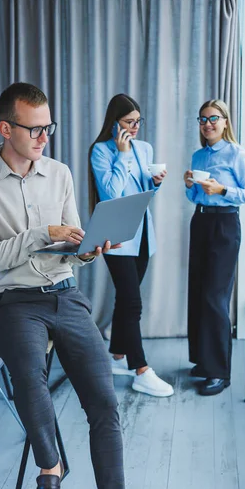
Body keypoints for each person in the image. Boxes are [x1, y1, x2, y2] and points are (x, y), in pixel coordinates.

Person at [0, 82, 156, 489]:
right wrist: (37, 235)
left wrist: (87, 248)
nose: (45, 136)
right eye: (35, 128)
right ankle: (50, 466)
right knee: (30, 380)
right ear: (7, 129)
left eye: (49, 126)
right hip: (15, 303)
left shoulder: (61, 173)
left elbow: (70, 243)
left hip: (65, 295)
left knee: (105, 402)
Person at [89, 93, 174, 398]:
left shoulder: (145, 147)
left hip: (143, 233)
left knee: (126, 298)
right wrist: (122, 154)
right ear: (114, 122)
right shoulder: (101, 151)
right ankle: (140, 369)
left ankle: (117, 355)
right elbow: (110, 193)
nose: (135, 127)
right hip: (116, 235)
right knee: (133, 301)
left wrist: (156, 181)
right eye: (128, 121)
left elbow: (143, 190)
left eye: (138, 121)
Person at [183, 99, 245, 396]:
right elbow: (195, 197)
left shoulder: (237, 154)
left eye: (213, 118)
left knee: (215, 297)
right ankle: (202, 361)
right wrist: (190, 187)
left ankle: (220, 372)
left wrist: (222, 189)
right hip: (200, 222)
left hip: (225, 225)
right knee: (198, 292)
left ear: (225, 121)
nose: (207, 124)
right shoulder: (198, 156)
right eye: (202, 119)